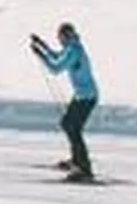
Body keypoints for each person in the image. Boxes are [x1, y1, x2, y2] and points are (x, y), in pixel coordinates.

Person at [28, 20, 98, 182]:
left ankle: (84, 168)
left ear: (65, 36)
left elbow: (55, 68)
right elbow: (58, 56)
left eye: (59, 37)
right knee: (68, 124)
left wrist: (40, 54)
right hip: (83, 95)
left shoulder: (73, 50)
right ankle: (76, 161)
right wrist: (42, 46)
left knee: (73, 128)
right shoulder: (72, 47)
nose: (59, 40)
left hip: (86, 97)